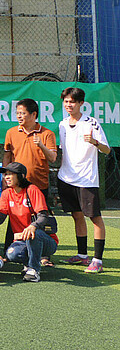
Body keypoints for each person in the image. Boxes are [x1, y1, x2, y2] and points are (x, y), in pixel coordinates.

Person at [58, 87, 111, 273]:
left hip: (87, 180)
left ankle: (97, 260)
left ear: (81, 103)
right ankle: (82, 256)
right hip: (66, 178)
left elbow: (107, 150)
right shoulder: (62, 124)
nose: (68, 105)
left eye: (72, 101)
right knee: (76, 215)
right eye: (66, 101)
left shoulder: (92, 123)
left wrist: (95, 142)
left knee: (95, 217)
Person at [0, 162, 58, 282]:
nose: (6, 177)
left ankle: (34, 270)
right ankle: (28, 264)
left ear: (21, 176)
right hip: (22, 240)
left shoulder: (32, 190)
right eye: (5, 174)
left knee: (32, 234)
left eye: (10, 174)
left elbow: (43, 216)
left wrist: (33, 226)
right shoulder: (7, 193)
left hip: (46, 241)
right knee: (12, 254)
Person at [3, 98, 57, 206]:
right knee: (17, 218)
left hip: (39, 184)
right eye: (17, 113)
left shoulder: (47, 134)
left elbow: (52, 158)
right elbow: (7, 156)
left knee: (38, 218)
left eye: (23, 113)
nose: (19, 116)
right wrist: (5, 176)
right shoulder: (11, 132)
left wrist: (41, 145)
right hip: (17, 184)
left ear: (33, 115)